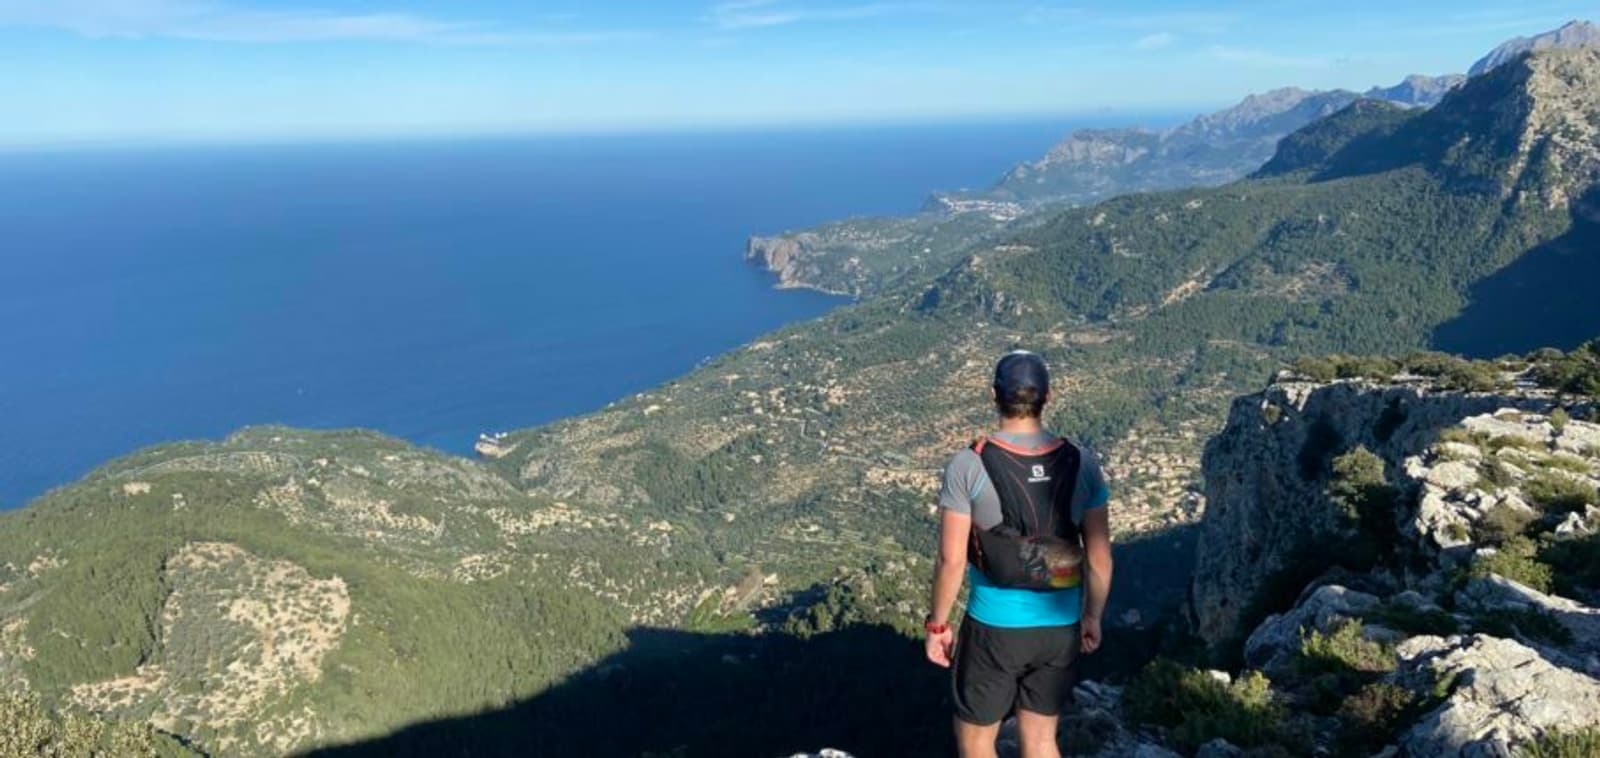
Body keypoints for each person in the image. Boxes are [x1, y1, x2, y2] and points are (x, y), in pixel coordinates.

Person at [923, 350, 1113, 758]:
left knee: (976, 743)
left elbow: (951, 561)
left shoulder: (968, 465)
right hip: (1060, 626)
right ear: (1049, 396)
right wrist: (1092, 616)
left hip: (994, 628)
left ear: (994, 394)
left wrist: (938, 625)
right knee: (1043, 740)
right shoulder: (1084, 464)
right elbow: (1098, 557)